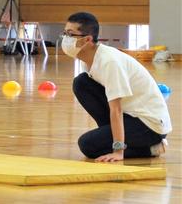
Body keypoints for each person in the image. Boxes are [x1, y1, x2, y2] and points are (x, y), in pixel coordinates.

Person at [61, 12, 172, 162]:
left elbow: (116, 109)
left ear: (87, 39)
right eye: (64, 33)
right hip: (129, 116)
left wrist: (118, 150)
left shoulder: (109, 62)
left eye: (70, 34)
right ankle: (110, 136)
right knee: (81, 83)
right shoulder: (87, 59)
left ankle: (151, 148)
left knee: (88, 145)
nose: (65, 39)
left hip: (149, 125)